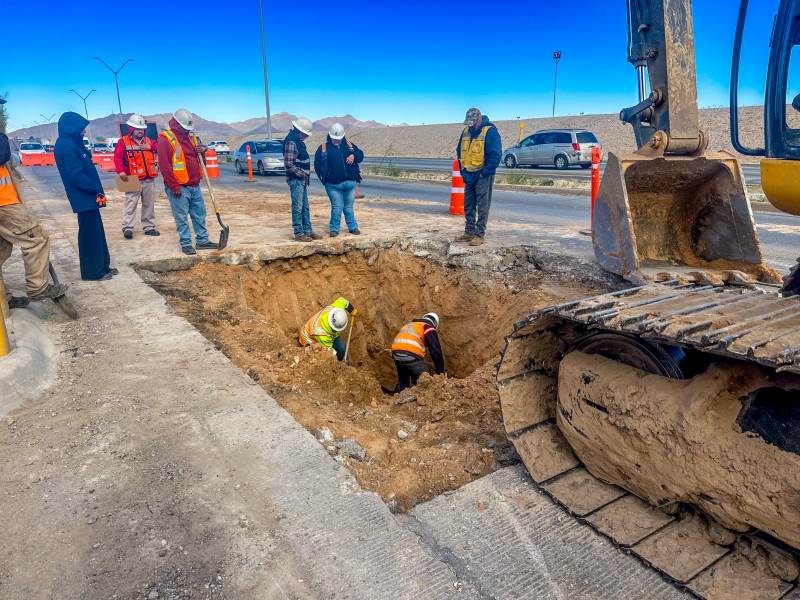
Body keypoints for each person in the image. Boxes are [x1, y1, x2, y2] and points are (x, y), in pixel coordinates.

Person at [0, 99, 64, 302]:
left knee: (2, 249)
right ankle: (38, 288)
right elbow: (3, 154)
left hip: (6, 201)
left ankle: (3, 299)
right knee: (37, 238)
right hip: (4, 204)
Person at [54, 112, 114, 281]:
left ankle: (103, 267)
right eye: (82, 129)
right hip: (83, 197)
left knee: (97, 233)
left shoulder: (73, 143)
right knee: (89, 236)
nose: (84, 132)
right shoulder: (65, 146)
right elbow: (75, 175)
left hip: (89, 198)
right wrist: (94, 189)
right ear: (72, 127)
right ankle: (93, 272)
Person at [157, 108, 219, 255]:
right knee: (181, 217)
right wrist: (173, 186)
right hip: (179, 187)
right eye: (184, 129)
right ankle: (186, 243)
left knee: (199, 214)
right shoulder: (166, 138)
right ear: (177, 124)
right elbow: (164, 166)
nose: (186, 131)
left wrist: (203, 150)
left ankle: (202, 241)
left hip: (194, 184)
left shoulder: (192, 137)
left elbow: (199, 159)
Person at [455, 108, 501, 246]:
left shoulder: (490, 132)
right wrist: (463, 170)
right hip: (469, 174)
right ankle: (469, 232)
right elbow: (459, 151)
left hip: (483, 174)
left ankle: (479, 235)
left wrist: (484, 172)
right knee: (468, 205)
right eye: (468, 122)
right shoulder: (466, 132)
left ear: (479, 119)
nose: (470, 125)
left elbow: (495, 155)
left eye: (472, 122)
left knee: (482, 206)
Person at [313, 123, 364, 237]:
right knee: (337, 206)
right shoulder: (323, 148)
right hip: (333, 185)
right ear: (330, 136)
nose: (336, 141)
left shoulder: (349, 145)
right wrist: (324, 180)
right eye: (334, 139)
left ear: (343, 136)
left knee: (349, 207)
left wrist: (354, 156)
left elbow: (361, 155)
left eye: (338, 139)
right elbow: (317, 166)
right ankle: (334, 229)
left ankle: (353, 227)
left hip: (350, 183)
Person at [114, 113, 160, 239]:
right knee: (130, 203)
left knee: (148, 204)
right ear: (131, 129)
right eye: (137, 129)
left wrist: (150, 147)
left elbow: (159, 148)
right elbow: (117, 157)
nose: (140, 131)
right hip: (131, 178)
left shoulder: (150, 141)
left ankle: (149, 226)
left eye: (142, 129)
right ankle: (127, 227)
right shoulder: (123, 142)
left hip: (149, 178)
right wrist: (121, 171)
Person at [283, 117, 319, 242]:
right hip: (297, 179)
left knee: (305, 207)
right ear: (300, 131)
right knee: (298, 207)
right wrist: (301, 174)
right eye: (305, 134)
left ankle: (307, 231)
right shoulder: (291, 142)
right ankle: (299, 233)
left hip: (301, 180)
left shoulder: (298, 142)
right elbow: (289, 164)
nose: (306, 137)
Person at [390, 312, 445, 392]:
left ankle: (402, 396)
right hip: (412, 355)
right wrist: (440, 373)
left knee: (404, 383)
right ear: (435, 324)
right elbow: (436, 352)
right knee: (426, 382)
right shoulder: (428, 327)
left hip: (396, 355)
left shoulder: (410, 325)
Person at [299, 296, 356, 361]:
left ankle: (342, 359)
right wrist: (336, 362)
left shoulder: (335, 310)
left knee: (341, 349)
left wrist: (352, 310)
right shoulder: (321, 334)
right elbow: (329, 352)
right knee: (324, 358)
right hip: (309, 338)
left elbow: (342, 301)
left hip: (328, 334)